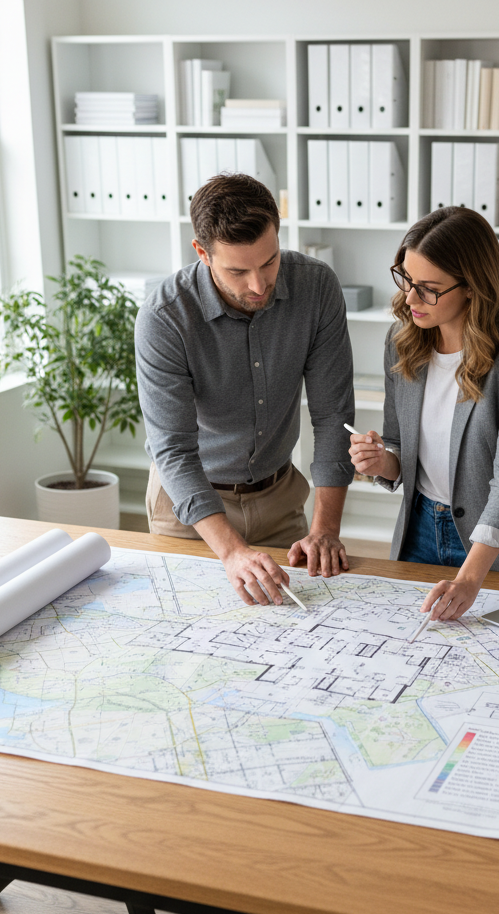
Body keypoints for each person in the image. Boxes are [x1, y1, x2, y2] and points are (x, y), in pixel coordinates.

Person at [135, 173, 355, 608]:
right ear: (202, 253)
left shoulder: (316, 287)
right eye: (237, 270)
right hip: (192, 511)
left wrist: (325, 530)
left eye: (269, 262)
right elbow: (173, 450)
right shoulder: (164, 317)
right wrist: (232, 552)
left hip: (280, 500)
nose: (258, 285)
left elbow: (333, 416)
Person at [349, 207, 499, 623]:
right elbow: (399, 444)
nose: (410, 299)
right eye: (406, 279)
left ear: (471, 287)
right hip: (419, 532)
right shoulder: (401, 340)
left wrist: (469, 578)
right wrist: (382, 462)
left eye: (428, 289)